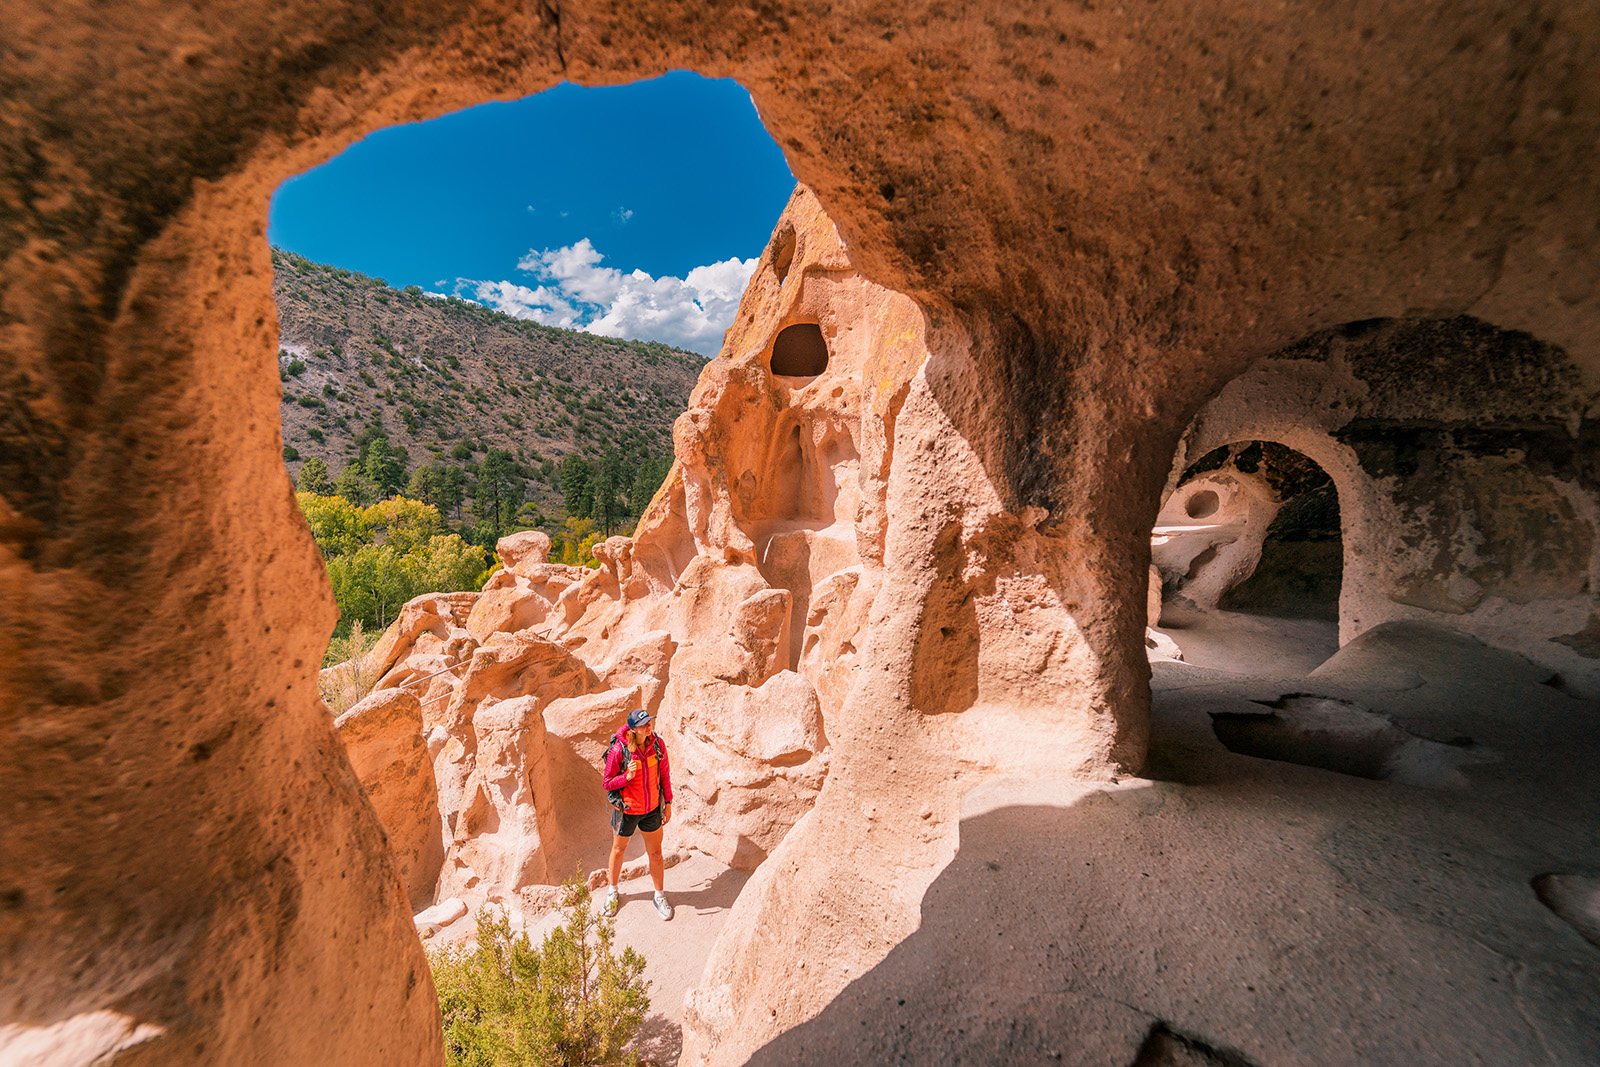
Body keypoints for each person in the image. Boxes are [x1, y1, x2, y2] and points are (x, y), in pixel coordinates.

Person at [601, 708, 674, 920]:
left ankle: (659, 895)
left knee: (656, 854)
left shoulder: (657, 745)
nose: (648, 726)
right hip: (627, 810)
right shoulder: (619, 750)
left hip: (651, 809)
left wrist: (667, 803)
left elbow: (664, 775)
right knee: (618, 850)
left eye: (649, 722)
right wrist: (627, 776)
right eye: (643, 724)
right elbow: (607, 782)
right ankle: (612, 892)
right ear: (633, 730)